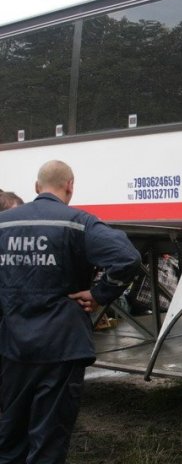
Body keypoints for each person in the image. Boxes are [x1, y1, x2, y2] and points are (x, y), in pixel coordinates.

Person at [0, 160, 141, 463]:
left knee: (10, 436)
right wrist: (99, 294)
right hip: (61, 347)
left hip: (12, 348)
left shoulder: (5, 224)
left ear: (37, 188)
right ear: (70, 186)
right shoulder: (79, 222)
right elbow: (127, 258)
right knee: (49, 439)